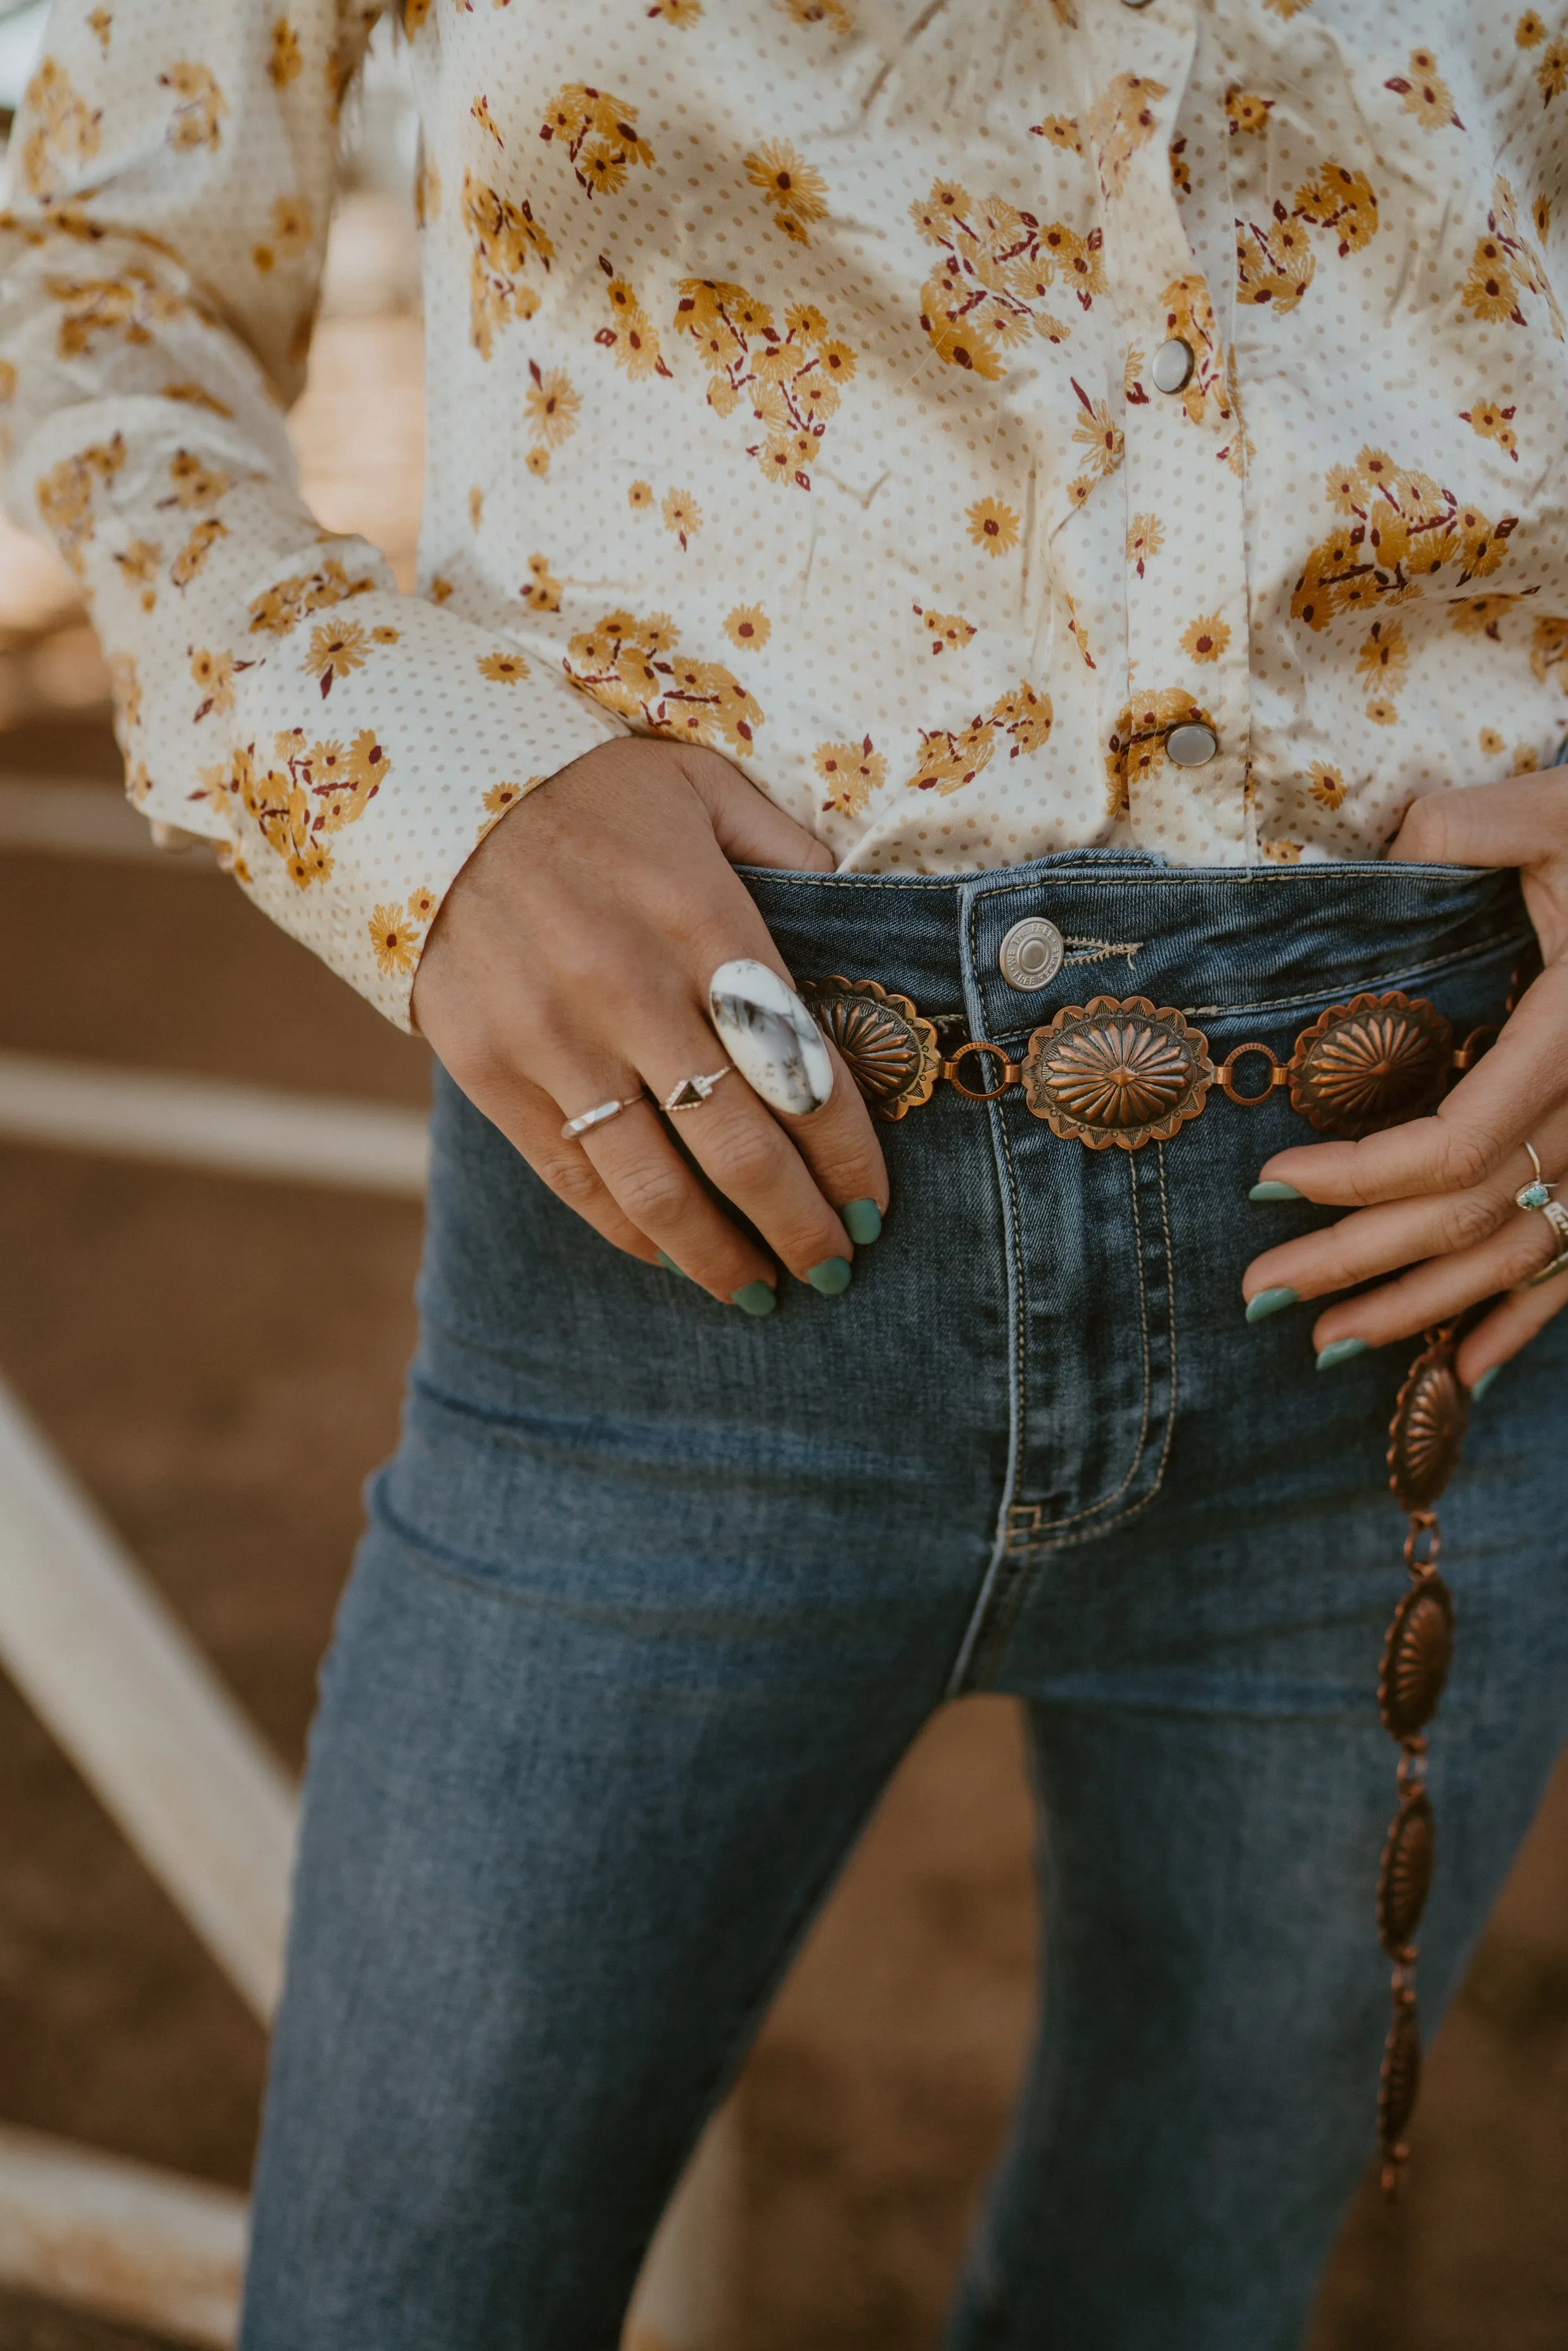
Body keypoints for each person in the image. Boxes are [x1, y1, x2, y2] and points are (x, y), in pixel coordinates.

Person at [4, 1, 1568, 2341]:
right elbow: (96, 271)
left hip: (1419, 1267)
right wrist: (421, 787)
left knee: (1181, 2306)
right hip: (668, 1290)